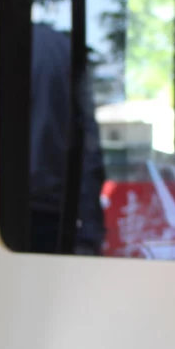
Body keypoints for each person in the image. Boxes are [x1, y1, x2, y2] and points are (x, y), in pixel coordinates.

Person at [29, 22, 105, 254]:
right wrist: (89, 231)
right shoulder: (62, 50)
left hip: (10, 206)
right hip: (53, 212)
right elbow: (88, 146)